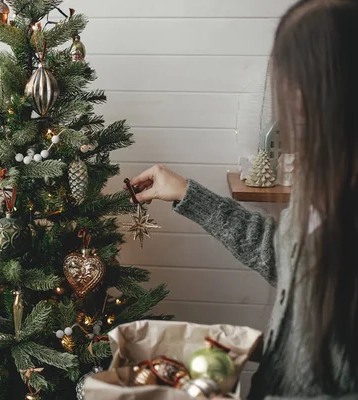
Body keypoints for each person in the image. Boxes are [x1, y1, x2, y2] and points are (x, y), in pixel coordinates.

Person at [127, 0, 358, 398]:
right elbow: (282, 257)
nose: (288, 92)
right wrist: (185, 191)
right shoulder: (320, 170)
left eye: (297, 75)